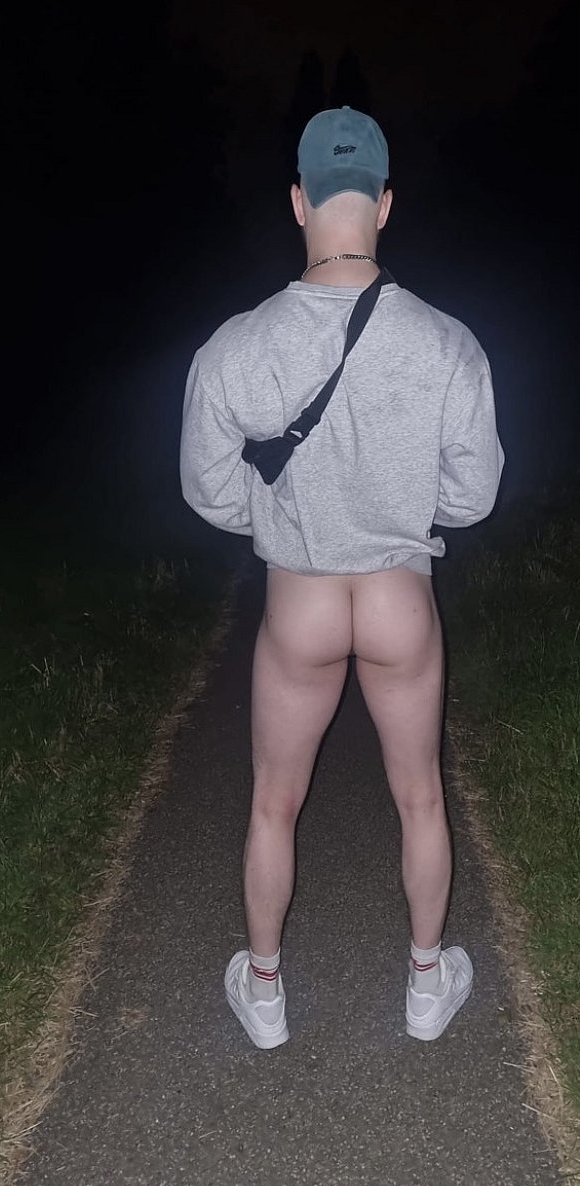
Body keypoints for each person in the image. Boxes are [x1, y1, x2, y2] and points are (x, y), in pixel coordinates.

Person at [180, 106, 504, 1050]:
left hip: (300, 599)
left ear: (298, 201)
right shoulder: (448, 343)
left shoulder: (235, 345)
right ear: (385, 205)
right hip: (400, 598)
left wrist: (283, 522)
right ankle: (425, 987)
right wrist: (398, 511)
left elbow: (208, 490)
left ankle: (265, 994)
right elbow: (472, 495)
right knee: (420, 796)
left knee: (273, 801)